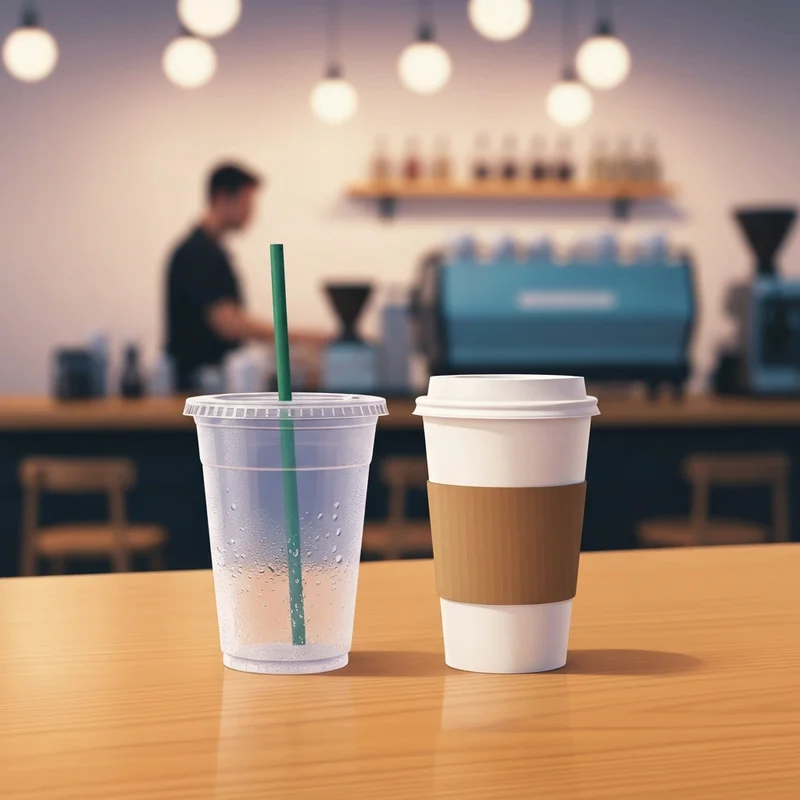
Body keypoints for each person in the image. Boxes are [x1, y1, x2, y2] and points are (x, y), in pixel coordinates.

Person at [165, 162, 322, 390]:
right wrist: (305, 337)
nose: (252, 212)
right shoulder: (198, 253)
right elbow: (229, 324)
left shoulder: (211, 251)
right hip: (199, 392)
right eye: (248, 203)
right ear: (222, 198)